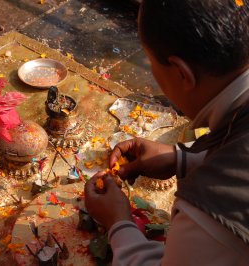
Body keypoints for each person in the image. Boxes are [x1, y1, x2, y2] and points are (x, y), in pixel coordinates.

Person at [84, 0, 249, 265]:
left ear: (183, 74)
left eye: (150, 62)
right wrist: (182, 158)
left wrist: (118, 222)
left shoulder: (212, 209)